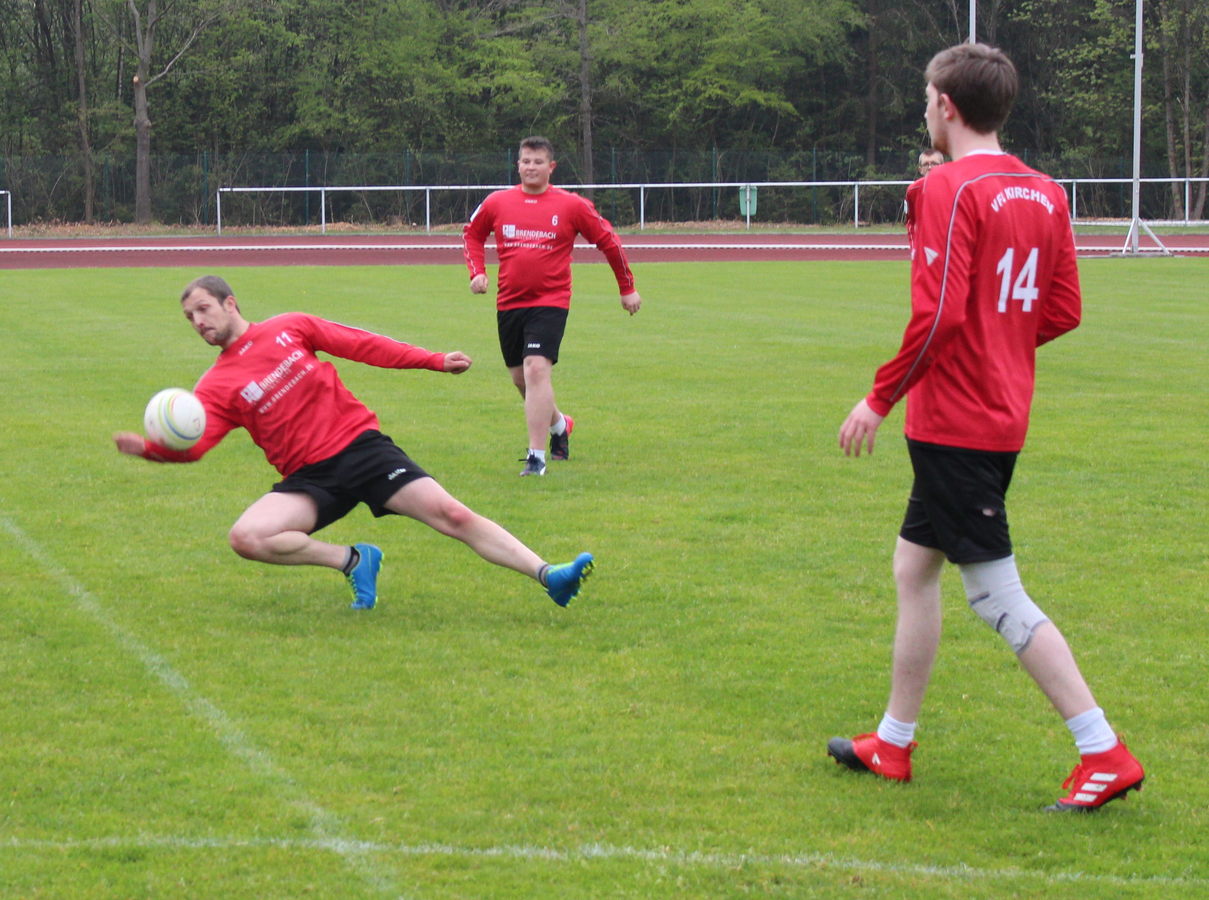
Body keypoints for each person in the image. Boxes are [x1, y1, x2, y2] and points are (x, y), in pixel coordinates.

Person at [831, 43, 1144, 812]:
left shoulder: (945, 187)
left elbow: (937, 312)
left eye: (925, 99)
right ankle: (893, 743)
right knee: (914, 571)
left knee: (993, 592)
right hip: (1000, 408)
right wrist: (998, 347)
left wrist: (878, 397)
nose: (923, 110)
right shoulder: (1045, 191)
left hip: (956, 419)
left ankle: (1101, 749)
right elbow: (1062, 310)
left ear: (945, 105)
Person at [114, 275, 594, 610]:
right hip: (310, 480)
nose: (198, 321)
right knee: (246, 537)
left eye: (203, 309)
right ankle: (353, 559)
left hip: (361, 450)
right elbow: (197, 446)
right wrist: (152, 450)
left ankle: (549, 575)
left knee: (454, 515)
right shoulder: (213, 388)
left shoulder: (289, 327)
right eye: (189, 317)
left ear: (230, 303)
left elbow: (360, 344)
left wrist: (429, 360)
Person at [462, 136, 643, 477]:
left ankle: (536, 458)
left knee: (535, 370)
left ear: (551, 167)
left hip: (551, 301)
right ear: (518, 164)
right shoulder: (498, 202)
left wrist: (627, 288)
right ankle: (560, 424)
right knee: (521, 379)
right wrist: (478, 272)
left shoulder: (572, 205)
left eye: (538, 162)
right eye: (525, 161)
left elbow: (609, 241)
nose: (531, 167)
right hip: (509, 302)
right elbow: (471, 234)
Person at [904, 149, 945, 256]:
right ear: (920, 169)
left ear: (943, 166)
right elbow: (910, 222)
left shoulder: (956, 188)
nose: (930, 167)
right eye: (926, 164)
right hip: (925, 249)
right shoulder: (912, 191)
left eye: (934, 164)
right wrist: (914, 248)